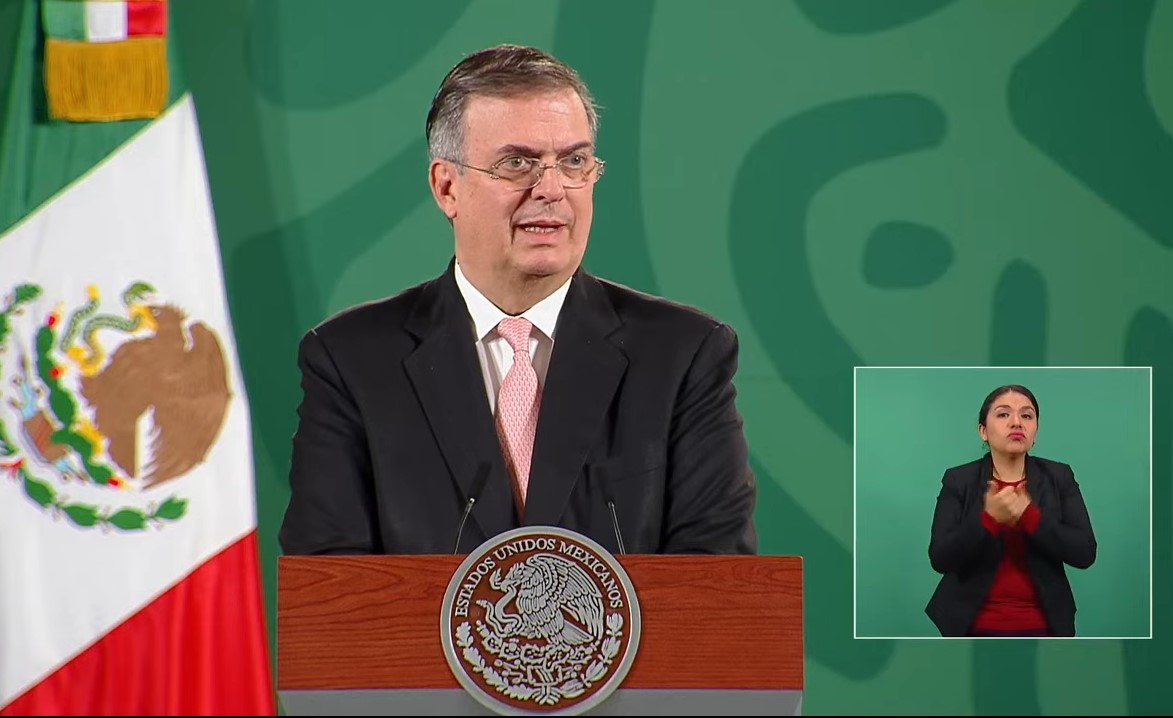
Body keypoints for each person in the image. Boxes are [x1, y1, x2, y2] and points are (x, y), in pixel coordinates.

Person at [277, 44, 757, 557]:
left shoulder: (684, 356)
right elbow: (331, 585)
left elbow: (717, 582)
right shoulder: (350, 362)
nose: (551, 189)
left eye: (574, 161)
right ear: (447, 187)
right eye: (517, 163)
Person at [925, 385, 1096, 637]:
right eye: (1003, 414)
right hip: (971, 626)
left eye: (1027, 415)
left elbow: (1085, 553)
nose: (1017, 422)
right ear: (983, 431)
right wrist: (987, 519)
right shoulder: (959, 480)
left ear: (1035, 431)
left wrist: (1030, 517)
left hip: (1046, 626)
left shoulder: (1059, 476)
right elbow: (940, 558)